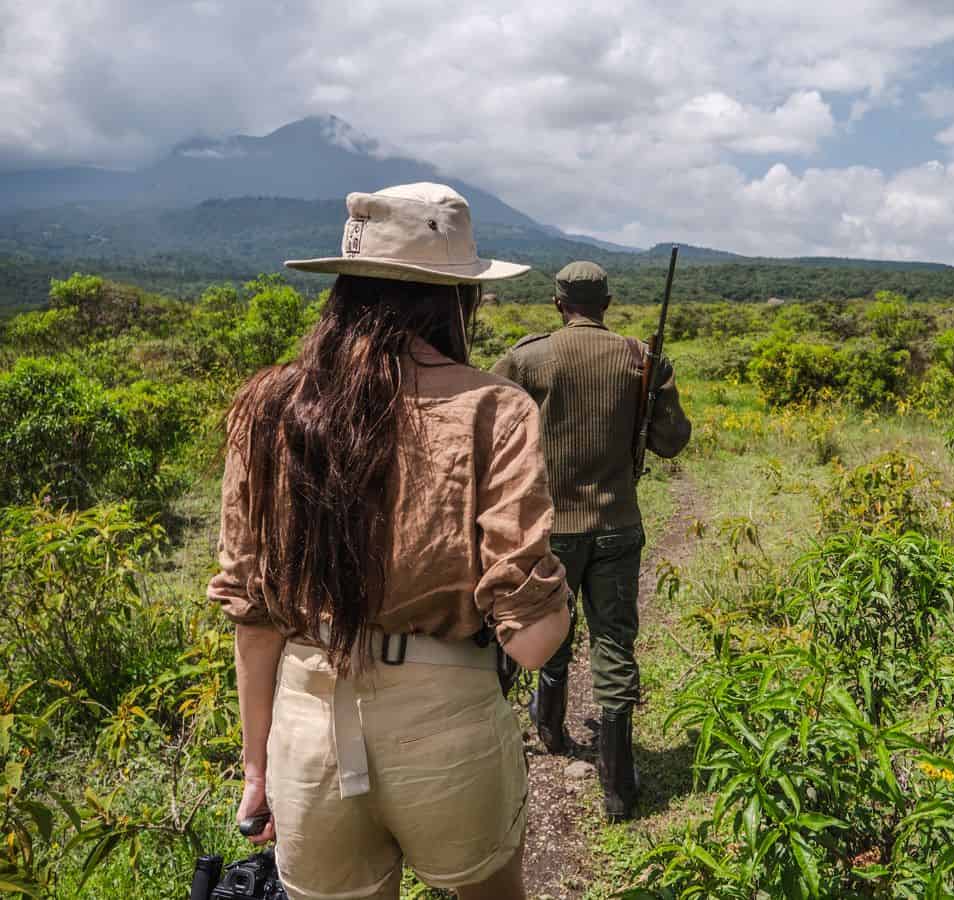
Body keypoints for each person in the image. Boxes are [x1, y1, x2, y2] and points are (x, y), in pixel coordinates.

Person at [208, 183, 571, 900]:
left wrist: (258, 769)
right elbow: (531, 643)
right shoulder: (492, 407)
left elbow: (252, 622)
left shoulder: (268, 406)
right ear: (456, 299)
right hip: (446, 728)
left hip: (304, 727)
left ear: (341, 287)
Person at [491, 261, 691, 821]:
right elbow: (673, 443)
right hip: (617, 526)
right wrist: (646, 406)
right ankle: (620, 789)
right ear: (607, 303)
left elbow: (489, 428)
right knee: (613, 642)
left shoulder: (527, 357)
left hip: (548, 527)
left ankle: (548, 729)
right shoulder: (640, 359)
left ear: (558, 304)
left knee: (546, 626)